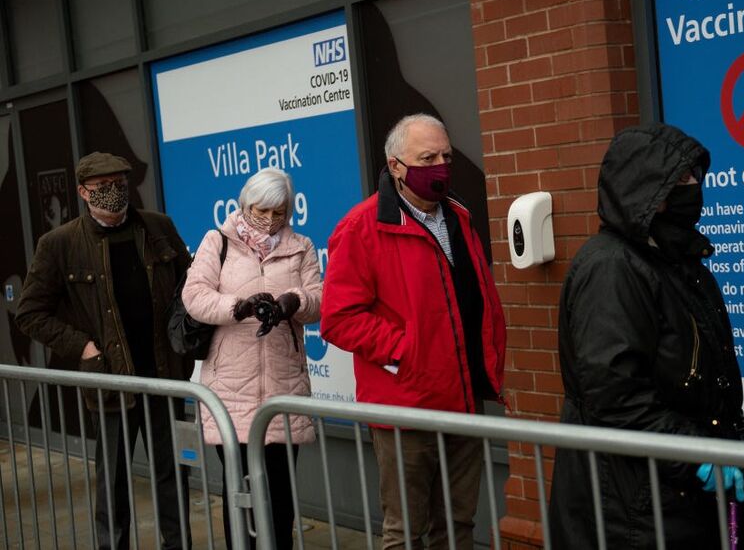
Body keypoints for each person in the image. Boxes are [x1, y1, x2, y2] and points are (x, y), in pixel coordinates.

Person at [548, 124, 744, 549]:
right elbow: (614, 396)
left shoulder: (675, 259)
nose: (696, 187)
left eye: (695, 177)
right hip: (636, 505)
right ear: (649, 188)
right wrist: (694, 456)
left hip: (677, 493)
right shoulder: (612, 268)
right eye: (684, 178)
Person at [320, 113, 506, 549]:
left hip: (462, 399)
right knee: (405, 532)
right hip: (405, 407)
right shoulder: (362, 227)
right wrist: (407, 351)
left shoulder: (459, 216)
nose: (440, 166)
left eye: (446, 155)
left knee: (458, 526)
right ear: (396, 165)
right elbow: (338, 318)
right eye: (427, 157)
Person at [16, 151, 192, 549]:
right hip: (112, 381)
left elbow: (190, 285)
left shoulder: (157, 228)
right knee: (112, 480)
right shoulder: (59, 244)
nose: (114, 193)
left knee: (173, 474)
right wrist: (84, 346)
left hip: (165, 375)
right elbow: (29, 313)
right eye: (103, 187)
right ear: (82, 192)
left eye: (120, 184)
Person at [182, 167, 321, 550]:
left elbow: (320, 299)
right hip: (230, 389)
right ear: (244, 204)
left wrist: (294, 302)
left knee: (280, 498)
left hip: (283, 386)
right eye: (262, 210)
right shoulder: (218, 242)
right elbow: (194, 296)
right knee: (240, 493)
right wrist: (239, 306)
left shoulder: (301, 246)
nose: (271, 220)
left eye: (280, 212)